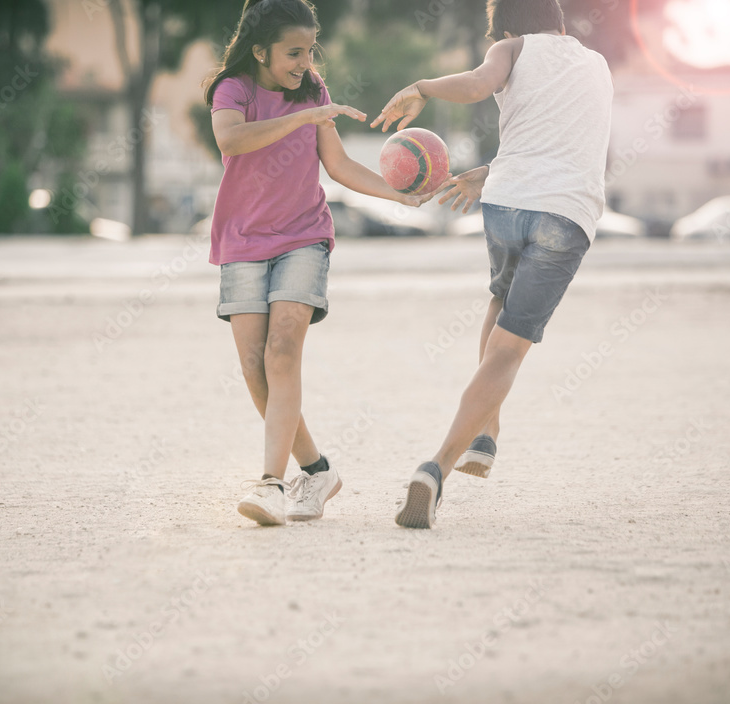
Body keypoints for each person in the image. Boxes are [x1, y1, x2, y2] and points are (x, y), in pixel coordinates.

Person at [371, 0, 613, 528]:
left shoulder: (511, 47)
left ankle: (486, 432)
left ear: (505, 29)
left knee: (498, 303)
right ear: (562, 24)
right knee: (509, 351)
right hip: (566, 215)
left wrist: (425, 86)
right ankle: (437, 466)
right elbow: (565, 141)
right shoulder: (595, 65)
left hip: (507, 204)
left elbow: (481, 84)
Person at [206, 0, 429, 526]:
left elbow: (340, 165)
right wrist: (305, 116)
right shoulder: (232, 89)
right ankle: (317, 469)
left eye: (309, 50)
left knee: (282, 351)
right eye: (293, 52)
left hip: (304, 237)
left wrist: (400, 197)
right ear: (259, 50)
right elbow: (230, 139)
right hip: (241, 242)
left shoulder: (313, 91)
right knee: (256, 369)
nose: (305, 62)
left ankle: (270, 484)